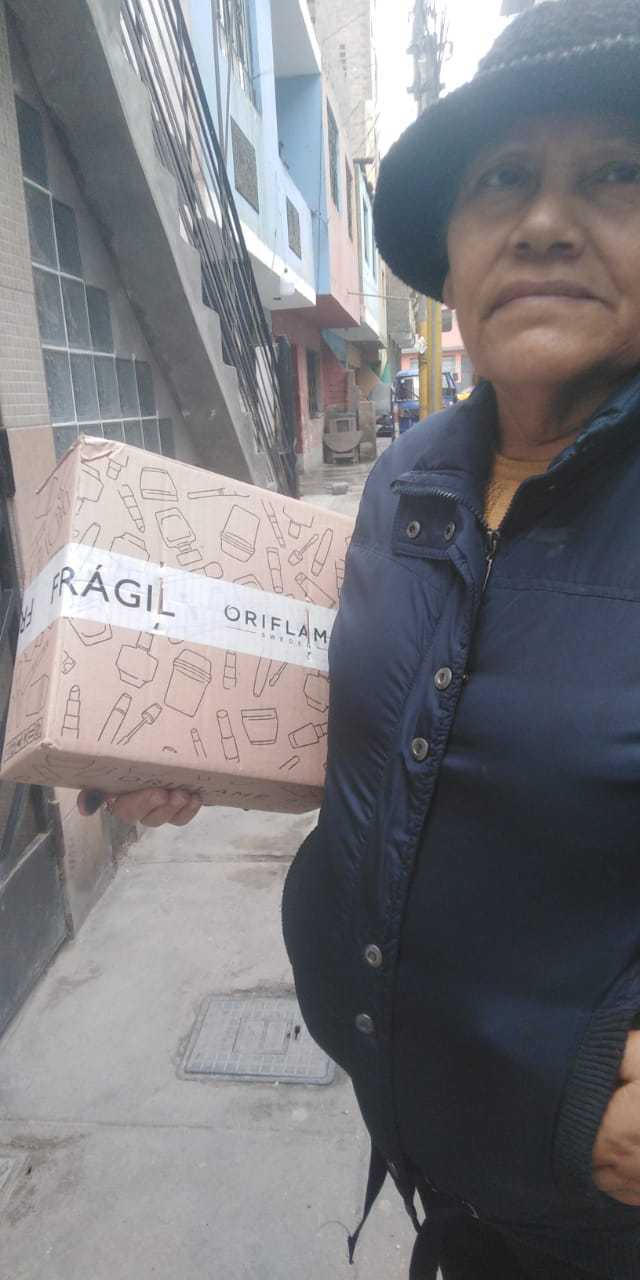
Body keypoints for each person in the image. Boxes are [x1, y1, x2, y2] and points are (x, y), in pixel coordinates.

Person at [80, 1, 640, 1274]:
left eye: (615, 171)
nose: (545, 221)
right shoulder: (409, 478)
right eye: (503, 178)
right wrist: (174, 743)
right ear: (453, 246)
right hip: (439, 1186)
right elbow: (373, 728)